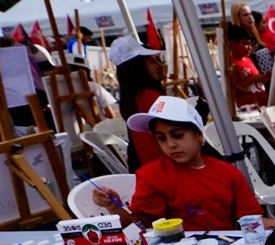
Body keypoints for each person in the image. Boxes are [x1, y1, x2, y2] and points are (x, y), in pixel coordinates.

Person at [93, 96, 262, 231]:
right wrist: (114, 208)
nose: (170, 144)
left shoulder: (227, 173)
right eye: (161, 138)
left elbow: (252, 220)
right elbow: (140, 227)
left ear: (199, 135)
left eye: (177, 135)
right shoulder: (151, 175)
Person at [112, 35, 167, 172]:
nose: (159, 66)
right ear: (138, 68)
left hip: (148, 169)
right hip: (165, 168)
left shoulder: (132, 97)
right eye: (151, 62)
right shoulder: (150, 97)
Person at [228, 25, 269, 108]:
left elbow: (258, 81)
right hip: (247, 110)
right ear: (233, 44)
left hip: (262, 106)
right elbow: (232, 90)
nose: (250, 47)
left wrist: (265, 77)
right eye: (245, 43)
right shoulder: (231, 63)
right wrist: (253, 79)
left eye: (250, 43)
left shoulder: (248, 59)